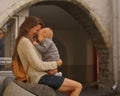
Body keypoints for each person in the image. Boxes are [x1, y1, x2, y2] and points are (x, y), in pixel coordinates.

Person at [12, 16, 82, 96]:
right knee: (78, 86)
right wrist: (56, 63)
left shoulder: (28, 41)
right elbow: (38, 65)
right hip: (39, 78)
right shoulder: (24, 41)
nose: (38, 32)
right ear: (28, 28)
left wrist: (51, 69)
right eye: (37, 30)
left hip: (42, 76)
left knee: (71, 89)